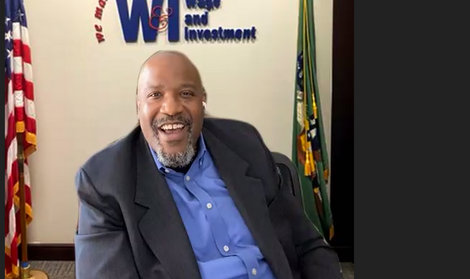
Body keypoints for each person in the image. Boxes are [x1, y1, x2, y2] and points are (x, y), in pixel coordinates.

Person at [75, 50, 342, 279]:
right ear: (138, 107)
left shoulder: (244, 144)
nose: (171, 108)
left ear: (203, 101)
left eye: (186, 93)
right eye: (155, 94)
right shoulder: (104, 181)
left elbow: (306, 244)